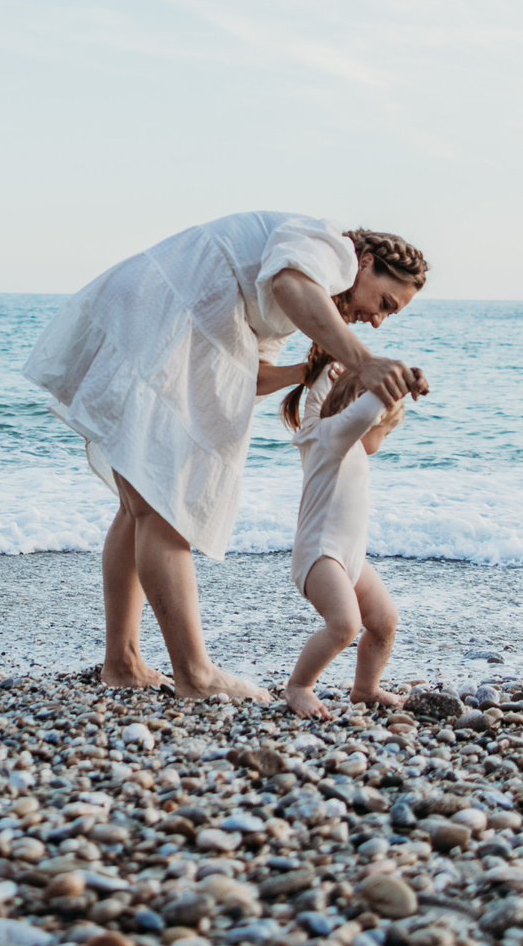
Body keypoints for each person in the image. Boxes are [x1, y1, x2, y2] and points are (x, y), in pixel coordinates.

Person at [25, 213, 430, 701]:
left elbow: (256, 375)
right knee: (161, 507)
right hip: (161, 317)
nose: (377, 319)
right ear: (365, 263)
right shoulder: (330, 248)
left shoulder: (297, 298)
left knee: (138, 508)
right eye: (384, 302)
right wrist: (365, 362)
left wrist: (308, 370)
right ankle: (194, 674)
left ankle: (122, 661)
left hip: (157, 320)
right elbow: (288, 282)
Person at [277, 353, 407, 718]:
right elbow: (362, 413)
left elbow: (319, 402)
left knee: (384, 621)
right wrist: (397, 384)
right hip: (320, 556)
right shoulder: (335, 438)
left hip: (348, 556)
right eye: (388, 428)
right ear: (373, 419)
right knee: (345, 624)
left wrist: (326, 375)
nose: (386, 436)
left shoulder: (323, 430)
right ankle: (299, 686)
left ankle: (365, 688)